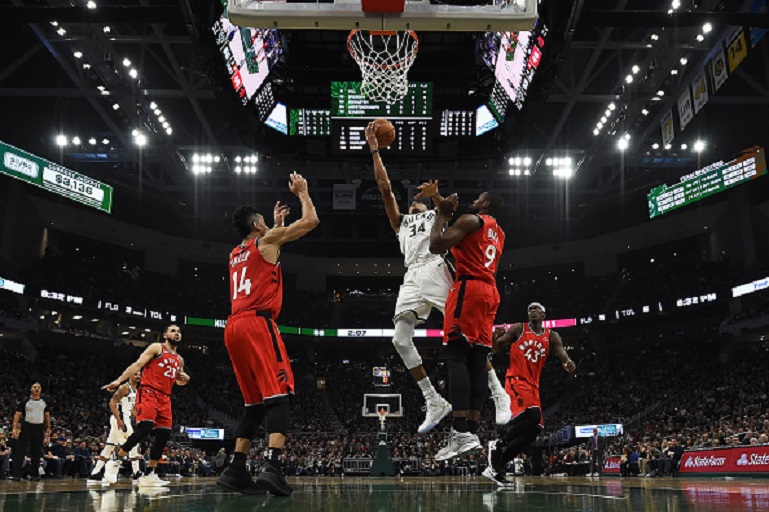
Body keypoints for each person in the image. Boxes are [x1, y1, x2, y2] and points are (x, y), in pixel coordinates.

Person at [365, 123, 510, 434]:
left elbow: (446, 212)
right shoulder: (400, 222)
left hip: (435, 267)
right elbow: (385, 188)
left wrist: (436, 197)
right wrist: (375, 149)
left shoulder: (434, 215)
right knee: (400, 340)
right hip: (411, 277)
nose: (415, 203)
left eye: (421, 202)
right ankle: (433, 400)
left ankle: (498, 391)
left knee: (468, 338)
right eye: (413, 202)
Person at [217, 172, 319, 497]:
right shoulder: (267, 240)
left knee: (254, 404)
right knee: (280, 395)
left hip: (233, 327)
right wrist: (303, 192)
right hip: (258, 324)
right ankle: (272, 468)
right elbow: (312, 221)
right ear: (258, 225)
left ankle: (236, 468)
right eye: (264, 220)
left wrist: (272, 225)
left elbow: (262, 259)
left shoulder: (234, 254)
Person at [422, 187, 505, 461]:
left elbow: (435, 245)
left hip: (468, 290)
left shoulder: (471, 220)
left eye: (480, 197)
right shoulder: (499, 233)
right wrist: (442, 207)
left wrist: (439, 216)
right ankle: (470, 430)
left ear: (487, 203)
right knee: (478, 360)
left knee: (456, 355)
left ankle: (460, 432)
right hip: (490, 293)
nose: (475, 199)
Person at [483, 302, 576, 487]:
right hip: (516, 380)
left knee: (535, 431)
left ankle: (496, 467)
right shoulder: (519, 329)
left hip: (534, 386)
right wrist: (493, 339)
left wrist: (568, 362)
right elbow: (496, 348)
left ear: (544, 314)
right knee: (533, 415)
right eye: (530, 309)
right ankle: (499, 444)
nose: (532, 311)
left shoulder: (552, 336)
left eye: (536, 309)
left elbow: (563, 355)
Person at [101, 324, 190, 487]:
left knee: (163, 435)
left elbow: (177, 381)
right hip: (149, 391)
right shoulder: (157, 348)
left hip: (165, 397)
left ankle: (149, 474)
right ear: (165, 335)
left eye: (179, 332)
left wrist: (185, 379)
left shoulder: (179, 359)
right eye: (173, 331)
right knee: (145, 428)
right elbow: (137, 365)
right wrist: (118, 380)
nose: (176, 333)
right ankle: (115, 460)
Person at [89, 370, 141, 484]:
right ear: (129, 376)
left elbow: (131, 409)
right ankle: (135, 472)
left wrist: (138, 415)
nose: (138, 376)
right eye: (135, 374)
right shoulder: (124, 388)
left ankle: (95, 473)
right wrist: (119, 419)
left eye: (139, 374)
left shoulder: (136, 390)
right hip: (120, 420)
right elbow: (112, 403)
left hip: (125, 419)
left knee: (109, 447)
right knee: (133, 443)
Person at [11, 382, 50, 481]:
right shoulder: (25, 401)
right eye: (34, 387)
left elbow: (46, 415)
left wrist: (48, 427)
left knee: (36, 452)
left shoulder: (44, 402)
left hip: (39, 427)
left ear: (41, 390)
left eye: (38, 387)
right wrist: (14, 427)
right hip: (27, 426)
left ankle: (34, 475)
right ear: (31, 389)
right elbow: (17, 415)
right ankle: (16, 475)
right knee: (21, 451)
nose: (36, 389)